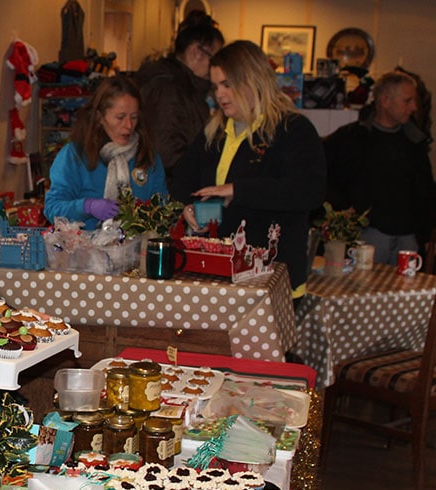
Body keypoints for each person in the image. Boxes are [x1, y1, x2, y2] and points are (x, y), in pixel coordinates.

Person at [172, 40, 326, 297]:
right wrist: (189, 208)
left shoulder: (293, 130)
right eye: (216, 86)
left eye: (227, 85)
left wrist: (238, 190)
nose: (219, 94)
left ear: (254, 80)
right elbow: (182, 182)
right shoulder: (214, 134)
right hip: (217, 273)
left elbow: (309, 191)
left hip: (272, 278)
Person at [324, 70, 436, 264]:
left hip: (408, 238)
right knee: (363, 290)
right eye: (407, 101)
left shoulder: (414, 141)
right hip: (368, 235)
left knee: (405, 294)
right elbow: (320, 172)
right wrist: (342, 206)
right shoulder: (352, 138)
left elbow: (426, 191)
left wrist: (426, 235)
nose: (414, 107)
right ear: (385, 101)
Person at [43, 75, 168, 230]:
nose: (128, 125)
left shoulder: (148, 157)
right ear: (99, 117)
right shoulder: (75, 156)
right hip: (85, 249)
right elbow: (52, 208)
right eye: (120, 117)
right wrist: (86, 207)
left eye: (134, 117)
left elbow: (163, 209)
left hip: (135, 249)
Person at [135, 10, 224, 181]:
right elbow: (165, 152)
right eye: (216, 59)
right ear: (195, 53)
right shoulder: (167, 88)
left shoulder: (187, 88)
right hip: (168, 191)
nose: (218, 67)